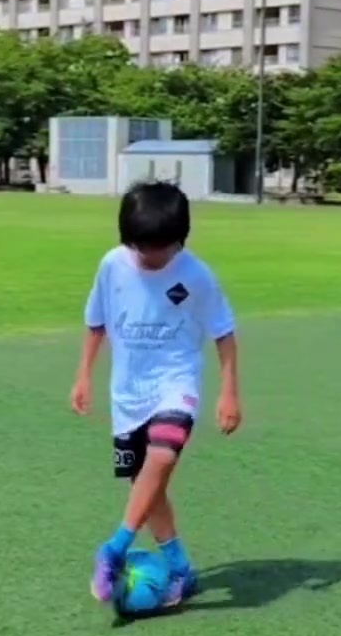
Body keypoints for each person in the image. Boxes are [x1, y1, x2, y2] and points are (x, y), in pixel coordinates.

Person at [71, 179, 241, 605]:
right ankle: (181, 568)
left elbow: (223, 331)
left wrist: (228, 393)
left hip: (175, 383)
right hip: (127, 394)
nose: (149, 256)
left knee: (162, 457)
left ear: (179, 240)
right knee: (148, 486)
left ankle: (114, 548)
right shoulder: (112, 265)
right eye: (140, 247)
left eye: (159, 248)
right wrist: (83, 375)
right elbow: (96, 321)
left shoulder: (196, 276)